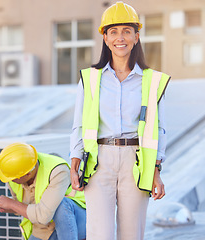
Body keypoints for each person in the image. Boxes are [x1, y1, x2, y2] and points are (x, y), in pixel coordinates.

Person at [69, 2, 170, 240]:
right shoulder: (90, 79)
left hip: (135, 162)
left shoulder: (152, 81)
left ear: (136, 36)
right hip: (98, 161)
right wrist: (75, 159)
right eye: (113, 31)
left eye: (126, 31)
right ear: (105, 38)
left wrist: (156, 170)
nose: (120, 37)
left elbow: (160, 128)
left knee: (131, 234)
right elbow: (79, 124)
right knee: (99, 235)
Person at [0, 142, 86, 240]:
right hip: (45, 230)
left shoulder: (58, 171)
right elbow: (22, 207)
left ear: (27, 174)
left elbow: (43, 215)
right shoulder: (16, 173)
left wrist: (11, 203)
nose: (10, 181)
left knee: (62, 205)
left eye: (13, 178)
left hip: (77, 222)